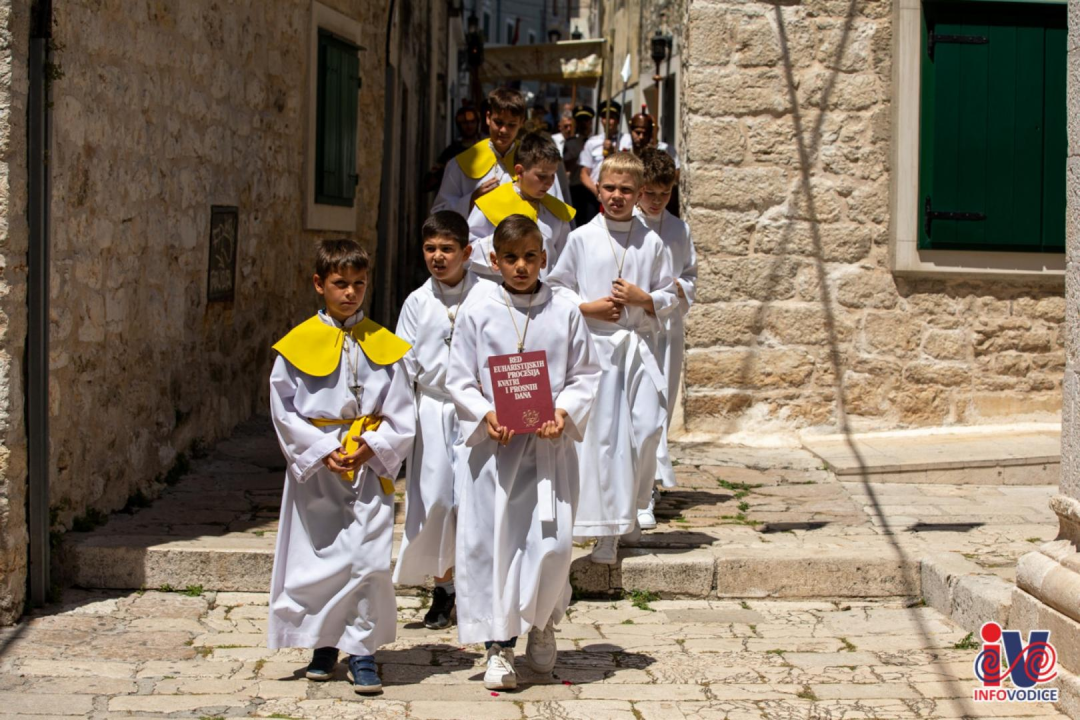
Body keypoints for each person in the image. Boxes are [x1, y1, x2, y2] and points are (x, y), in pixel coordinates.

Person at [446, 214, 600, 691]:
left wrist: (564, 411)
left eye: (530, 257)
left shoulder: (566, 308)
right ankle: (499, 647)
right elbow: (460, 377)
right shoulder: (477, 307)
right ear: (494, 260)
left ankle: (542, 622)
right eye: (510, 258)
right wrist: (484, 413)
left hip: (548, 449)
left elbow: (585, 373)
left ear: (544, 258)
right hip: (495, 454)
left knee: (551, 546)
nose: (520, 266)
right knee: (497, 547)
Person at [267, 239, 415, 694]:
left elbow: (403, 411)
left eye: (358, 284)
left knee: (368, 561)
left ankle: (364, 651)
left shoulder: (385, 347)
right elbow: (284, 409)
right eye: (339, 284)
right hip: (319, 475)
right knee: (321, 560)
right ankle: (324, 644)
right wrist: (321, 449)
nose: (350, 293)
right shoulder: (296, 348)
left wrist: (372, 446)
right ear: (319, 284)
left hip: (368, 469)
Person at [547, 152, 676, 565]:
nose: (617, 196)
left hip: (635, 349)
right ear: (598, 189)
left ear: (639, 195)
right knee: (604, 442)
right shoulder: (582, 238)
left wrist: (646, 299)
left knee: (646, 431)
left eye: (626, 190)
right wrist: (588, 309)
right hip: (595, 351)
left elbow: (671, 294)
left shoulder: (651, 242)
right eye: (610, 188)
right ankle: (607, 531)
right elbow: (556, 287)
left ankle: (633, 509)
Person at [392, 212, 484, 629]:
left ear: (466, 251)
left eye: (447, 249)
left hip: (477, 412)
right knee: (436, 501)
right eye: (430, 249)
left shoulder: (487, 295)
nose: (438, 257)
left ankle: (475, 586)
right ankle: (442, 587)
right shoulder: (416, 302)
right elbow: (403, 366)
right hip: (431, 408)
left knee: (472, 500)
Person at [634, 147, 697, 530]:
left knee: (661, 404)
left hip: (667, 329)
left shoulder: (679, 229)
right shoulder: (627, 226)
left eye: (665, 194)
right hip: (634, 329)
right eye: (651, 193)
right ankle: (638, 485)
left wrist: (673, 291)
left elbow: (689, 277)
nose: (657, 202)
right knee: (639, 407)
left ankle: (650, 483)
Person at [434, 88, 564, 218]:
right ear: (488, 118)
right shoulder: (459, 165)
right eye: (499, 122)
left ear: (521, 122)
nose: (504, 130)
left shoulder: (537, 161)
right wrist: (471, 200)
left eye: (511, 125)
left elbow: (556, 210)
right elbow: (440, 213)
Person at [466, 132, 575, 280]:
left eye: (553, 175)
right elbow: (468, 249)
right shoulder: (490, 203)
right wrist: (507, 249)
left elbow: (565, 261)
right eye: (542, 176)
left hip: (541, 295)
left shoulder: (557, 212)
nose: (549, 183)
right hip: (499, 292)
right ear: (519, 171)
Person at [424, 106, 484, 193]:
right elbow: (429, 183)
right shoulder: (452, 151)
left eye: (472, 122)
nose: (469, 126)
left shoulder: (484, 148)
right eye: (465, 123)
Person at [578, 100, 622, 201]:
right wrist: (596, 192)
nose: (607, 121)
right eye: (604, 117)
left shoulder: (626, 140)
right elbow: (584, 173)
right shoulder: (592, 142)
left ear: (618, 120)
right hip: (595, 194)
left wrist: (613, 152)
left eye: (611, 118)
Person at [564, 105, 599, 225]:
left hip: (591, 188)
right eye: (580, 121)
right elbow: (567, 165)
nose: (584, 124)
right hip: (576, 188)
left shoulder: (597, 142)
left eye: (586, 120)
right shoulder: (571, 143)